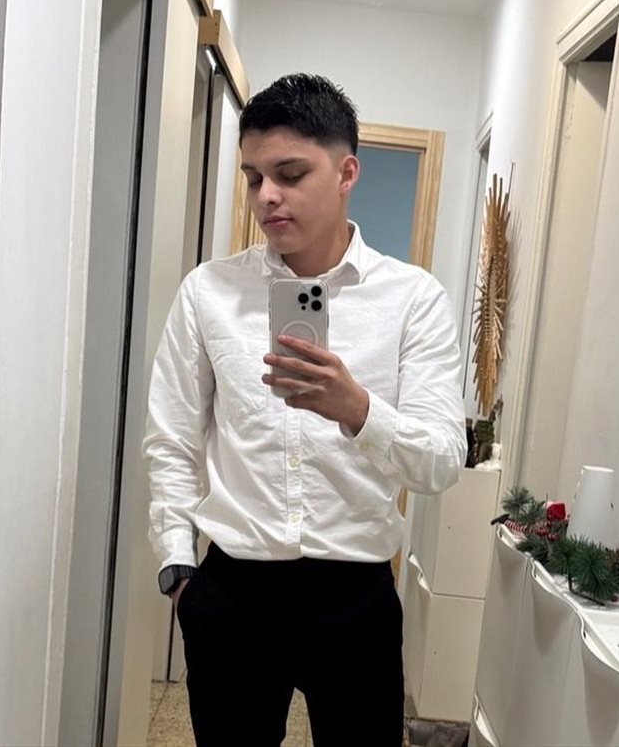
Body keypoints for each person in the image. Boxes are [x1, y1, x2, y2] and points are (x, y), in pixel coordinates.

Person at [144, 74, 466, 747]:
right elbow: (171, 438)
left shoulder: (413, 300)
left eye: (290, 174)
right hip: (231, 591)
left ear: (347, 172)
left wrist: (357, 409)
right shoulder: (209, 292)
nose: (267, 195)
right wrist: (178, 566)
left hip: (355, 599)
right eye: (253, 177)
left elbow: (440, 462)